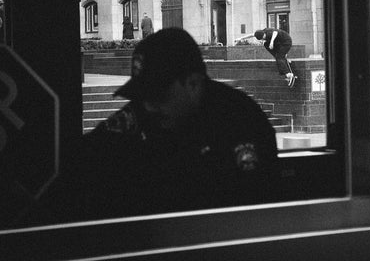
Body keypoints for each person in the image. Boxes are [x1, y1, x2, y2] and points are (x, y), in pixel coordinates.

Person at [42, 28, 280, 221]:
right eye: (142, 95)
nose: (148, 106)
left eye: (158, 95)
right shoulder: (145, 109)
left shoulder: (238, 120)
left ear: (193, 84)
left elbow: (249, 209)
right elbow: (85, 156)